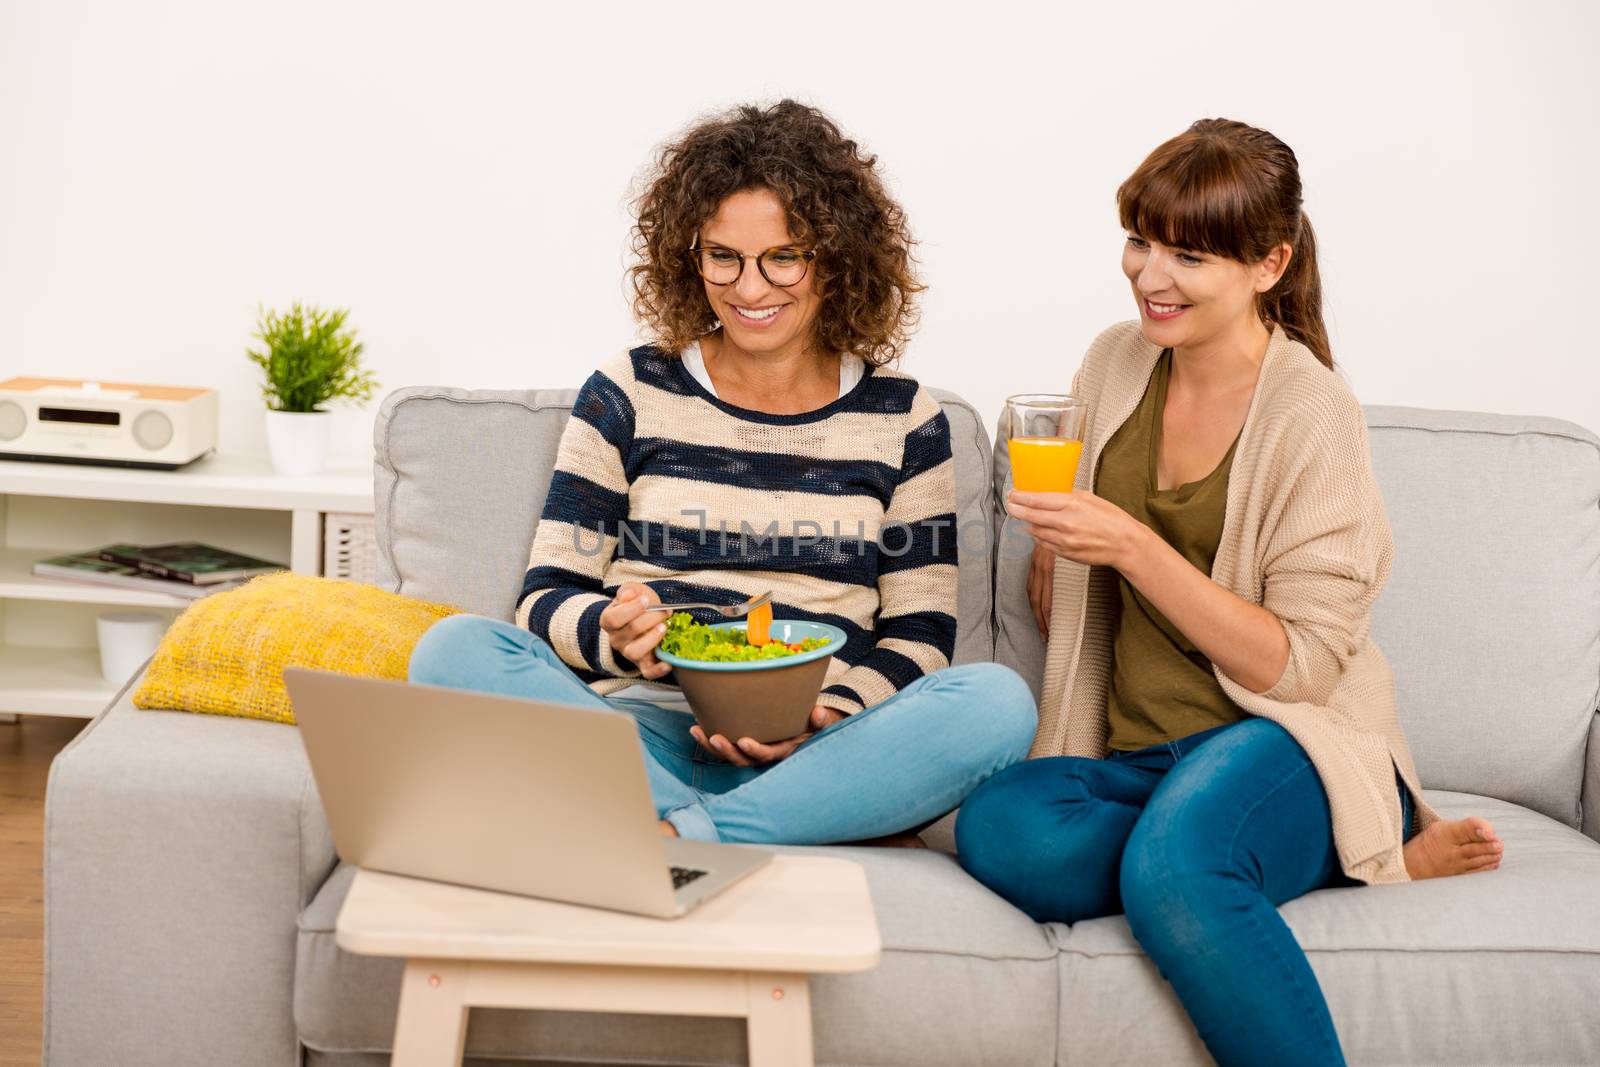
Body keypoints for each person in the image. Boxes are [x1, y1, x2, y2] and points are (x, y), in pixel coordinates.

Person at [954, 119, 1505, 1067]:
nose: (1148, 275)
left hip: (1279, 738)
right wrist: (1060, 548)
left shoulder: (1313, 414)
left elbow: (1298, 668)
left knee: (1176, 868)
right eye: (1140, 241)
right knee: (1002, 825)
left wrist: (1131, 544)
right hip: (1139, 756)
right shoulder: (1112, 363)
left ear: (1269, 262)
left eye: (1188, 254)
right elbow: (1073, 580)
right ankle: (1313, 853)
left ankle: (1315, 834)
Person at [410, 99, 1036, 846]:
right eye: (724, 257)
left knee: (998, 702)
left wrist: (821, 717)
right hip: (640, 732)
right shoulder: (630, 390)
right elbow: (545, 598)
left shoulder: (904, 418)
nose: (749, 288)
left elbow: (920, 632)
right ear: (691, 254)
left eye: (783, 257)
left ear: (836, 257)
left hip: (815, 753)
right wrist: (613, 633)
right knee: (452, 651)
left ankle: (679, 834)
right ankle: (722, 827)